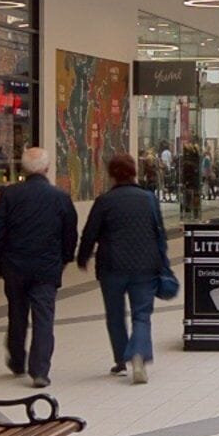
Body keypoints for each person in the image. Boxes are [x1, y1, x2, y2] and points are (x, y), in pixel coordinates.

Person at [0, 145, 77, 386]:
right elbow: (70, 234)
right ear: (47, 168)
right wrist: (64, 259)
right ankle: (40, 370)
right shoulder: (60, 197)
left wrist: (1, 257)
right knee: (44, 316)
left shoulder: (10, 195)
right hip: (46, 267)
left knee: (17, 313)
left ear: (23, 169)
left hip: (15, 265)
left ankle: (17, 359)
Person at [76, 151, 168, 386]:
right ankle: (138, 355)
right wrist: (162, 260)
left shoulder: (104, 201)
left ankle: (120, 359)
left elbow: (90, 233)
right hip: (145, 266)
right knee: (141, 314)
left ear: (112, 175)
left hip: (112, 267)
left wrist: (82, 258)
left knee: (115, 314)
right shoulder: (148, 199)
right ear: (134, 172)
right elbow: (159, 232)